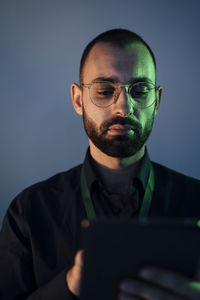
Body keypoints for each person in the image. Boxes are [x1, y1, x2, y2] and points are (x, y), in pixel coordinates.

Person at [0, 28, 200, 300]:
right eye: (105, 91)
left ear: (157, 101)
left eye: (140, 90)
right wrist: (68, 286)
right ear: (78, 99)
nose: (124, 108)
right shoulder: (28, 212)